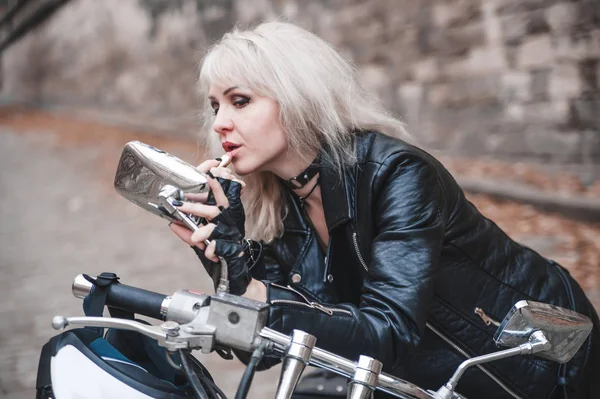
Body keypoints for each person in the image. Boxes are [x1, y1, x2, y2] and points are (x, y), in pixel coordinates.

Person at [168, 21, 600, 399]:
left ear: (298, 98)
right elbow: (266, 349)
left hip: (540, 364)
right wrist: (229, 260)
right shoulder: (278, 202)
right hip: (421, 378)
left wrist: (255, 293)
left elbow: (388, 330)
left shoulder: (397, 173)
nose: (220, 122)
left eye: (239, 101)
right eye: (215, 106)